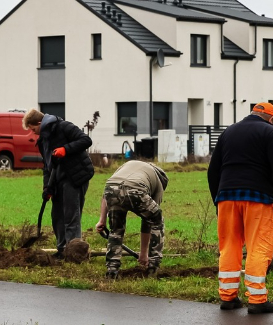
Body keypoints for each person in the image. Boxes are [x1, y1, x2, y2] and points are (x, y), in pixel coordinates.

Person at [207, 102, 273, 314]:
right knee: (258, 246)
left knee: (229, 246)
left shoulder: (228, 132)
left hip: (226, 197)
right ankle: (257, 299)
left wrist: (218, 201)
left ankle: (228, 297)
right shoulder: (271, 133)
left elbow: (213, 171)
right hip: (258, 198)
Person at [23, 108, 94, 253]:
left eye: (33, 128)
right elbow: (47, 166)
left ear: (39, 123)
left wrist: (65, 149)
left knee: (70, 216)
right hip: (58, 179)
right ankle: (62, 250)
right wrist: (46, 188)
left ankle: (74, 252)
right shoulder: (43, 140)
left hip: (75, 176)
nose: (33, 132)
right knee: (57, 216)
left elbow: (86, 140)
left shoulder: (63, 126)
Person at [94, 159, 169, 279]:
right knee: (157, 220)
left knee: (116, 230)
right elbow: (148, 222)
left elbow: (106, 192)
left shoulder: (129, 164)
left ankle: (112, 270)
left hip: (111, 188)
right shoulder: (159, 183)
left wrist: (102, 220)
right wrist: (144, 254)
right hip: (136, 190)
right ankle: (153, 267)